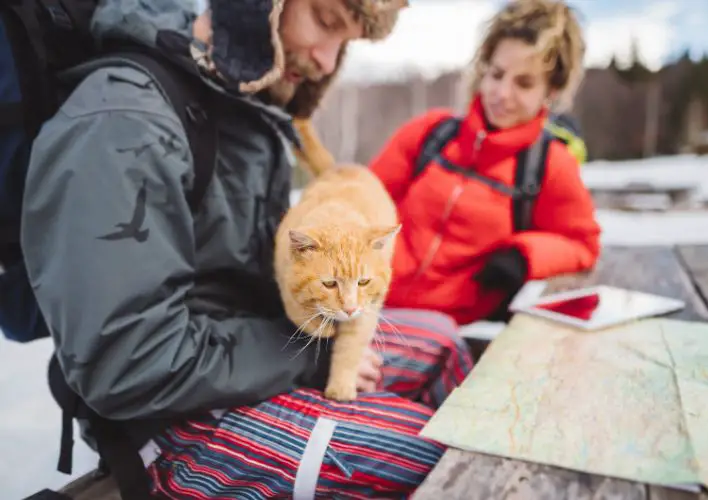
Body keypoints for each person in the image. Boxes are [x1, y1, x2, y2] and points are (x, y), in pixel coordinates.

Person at [20, 0, 473, 498]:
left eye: (344, 43)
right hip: (170, 421)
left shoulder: (242, 107)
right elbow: (128, 362)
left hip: (248, 356)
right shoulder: (122, 124)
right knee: (436, 455)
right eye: (325, 23)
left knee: (443, 343)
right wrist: (311, 359)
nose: (327, 61)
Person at [369, 0, 601, 326]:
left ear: (551, 89)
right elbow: (361, 199)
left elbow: (582, 245)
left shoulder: (550, 165)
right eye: (497, 74)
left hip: (453, 330)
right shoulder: (430, 133)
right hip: (367, 306)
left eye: (524, 83)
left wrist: (524, 255)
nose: (502, 93)